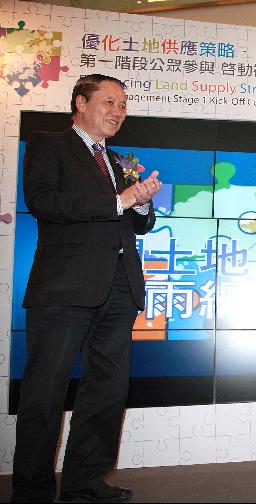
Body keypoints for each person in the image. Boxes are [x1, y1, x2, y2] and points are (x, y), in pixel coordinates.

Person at [12, 74, 162, 503]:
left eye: (124, 105)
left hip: (118, 290)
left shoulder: (117, 160)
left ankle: (85, 483)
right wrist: (121, 199)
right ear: (80, 102)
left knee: (107, 390)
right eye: (110, 101)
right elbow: (45, 202)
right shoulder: (49, 144)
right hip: (64, 290)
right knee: (45, 392)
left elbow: (139, 223)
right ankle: (32, 490)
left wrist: (144, 201)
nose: (118, 112)